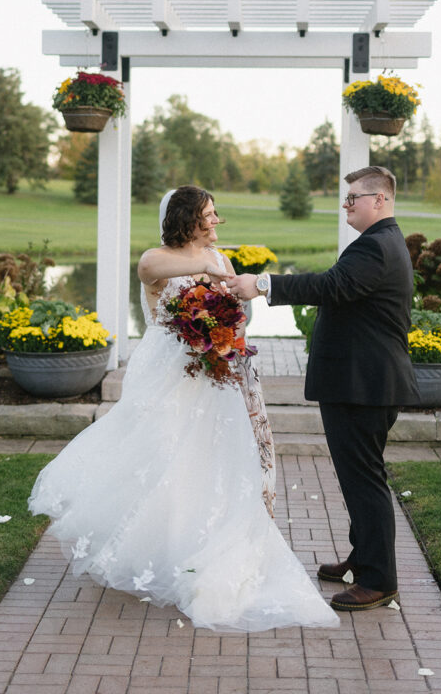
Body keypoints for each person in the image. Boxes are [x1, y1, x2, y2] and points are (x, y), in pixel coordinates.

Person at [28, 185, 338, 631]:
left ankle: (202, 551)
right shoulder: (158, 258)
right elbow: (148, 270)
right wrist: (206, 265)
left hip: (216, 378)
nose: (216, 222)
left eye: (217, 214)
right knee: (160, 462)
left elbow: (237, 317)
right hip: (168, 376)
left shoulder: (223, 260)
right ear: (186, 218)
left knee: (211, 465)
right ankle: (156, 550)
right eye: (208, 215)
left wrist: (230, 346)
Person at [227, 166, 418, 612]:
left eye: (355, 197)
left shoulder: (377, 246)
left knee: (365, 479)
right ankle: (364, 557)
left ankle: (378, 580)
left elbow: (332, 286)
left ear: (381, 201)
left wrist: (262, 284)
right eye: (346, 197)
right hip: (360, 382)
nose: (347, 204)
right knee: (358, 478)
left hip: (364, 385)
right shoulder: (378, 242)